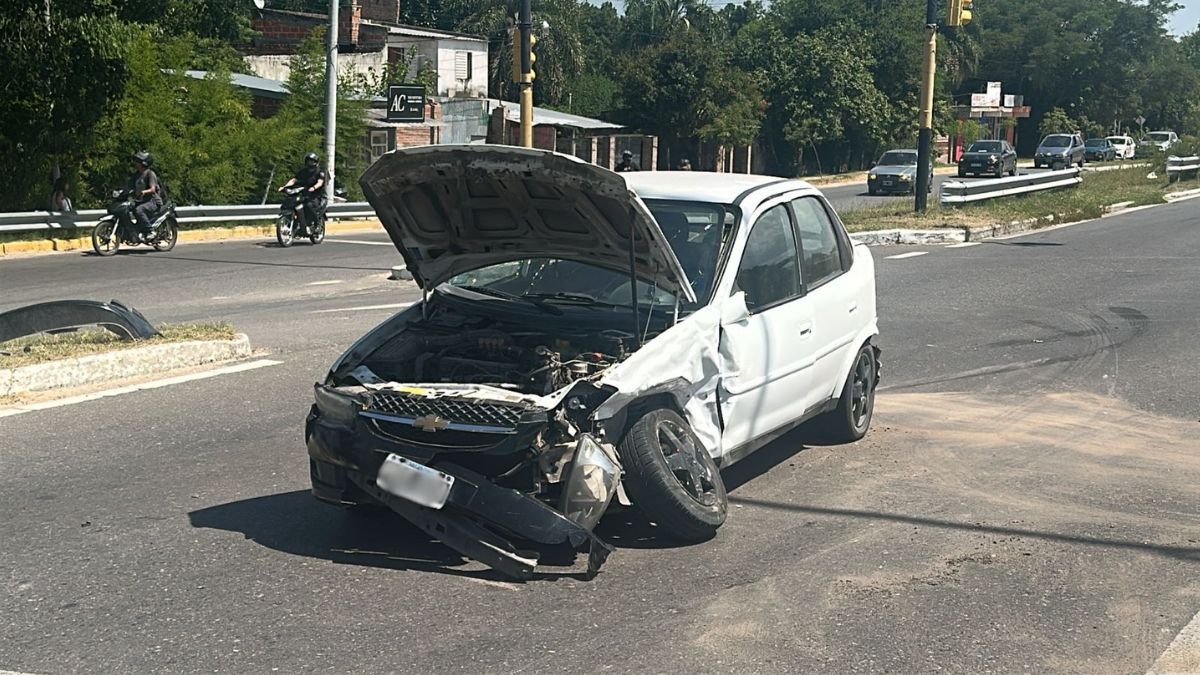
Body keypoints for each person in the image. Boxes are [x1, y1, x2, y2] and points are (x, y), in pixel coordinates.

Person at [279, 151, 327, 230]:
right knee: (292, 202)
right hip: (305, 194)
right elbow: (294, 180)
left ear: (316, 162)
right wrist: (284, 186)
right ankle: (297, 222)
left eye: (312, 161)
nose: (310, 163)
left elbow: (320, 182)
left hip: (317, 196)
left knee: (309, 205)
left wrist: (314, 188)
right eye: (308, 161)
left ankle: (316, 223)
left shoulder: (319, 172)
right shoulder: (303, 172)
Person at [128, 151, 162, 240]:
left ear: (144, 163)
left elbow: (153, 189)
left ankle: (150, 231)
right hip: (142, 201)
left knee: (139, 210)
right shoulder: (136, 175)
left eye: (138, 161)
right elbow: (129, 186)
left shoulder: (150, 174)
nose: (135, 163)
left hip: (153, 201)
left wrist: (143, 192)